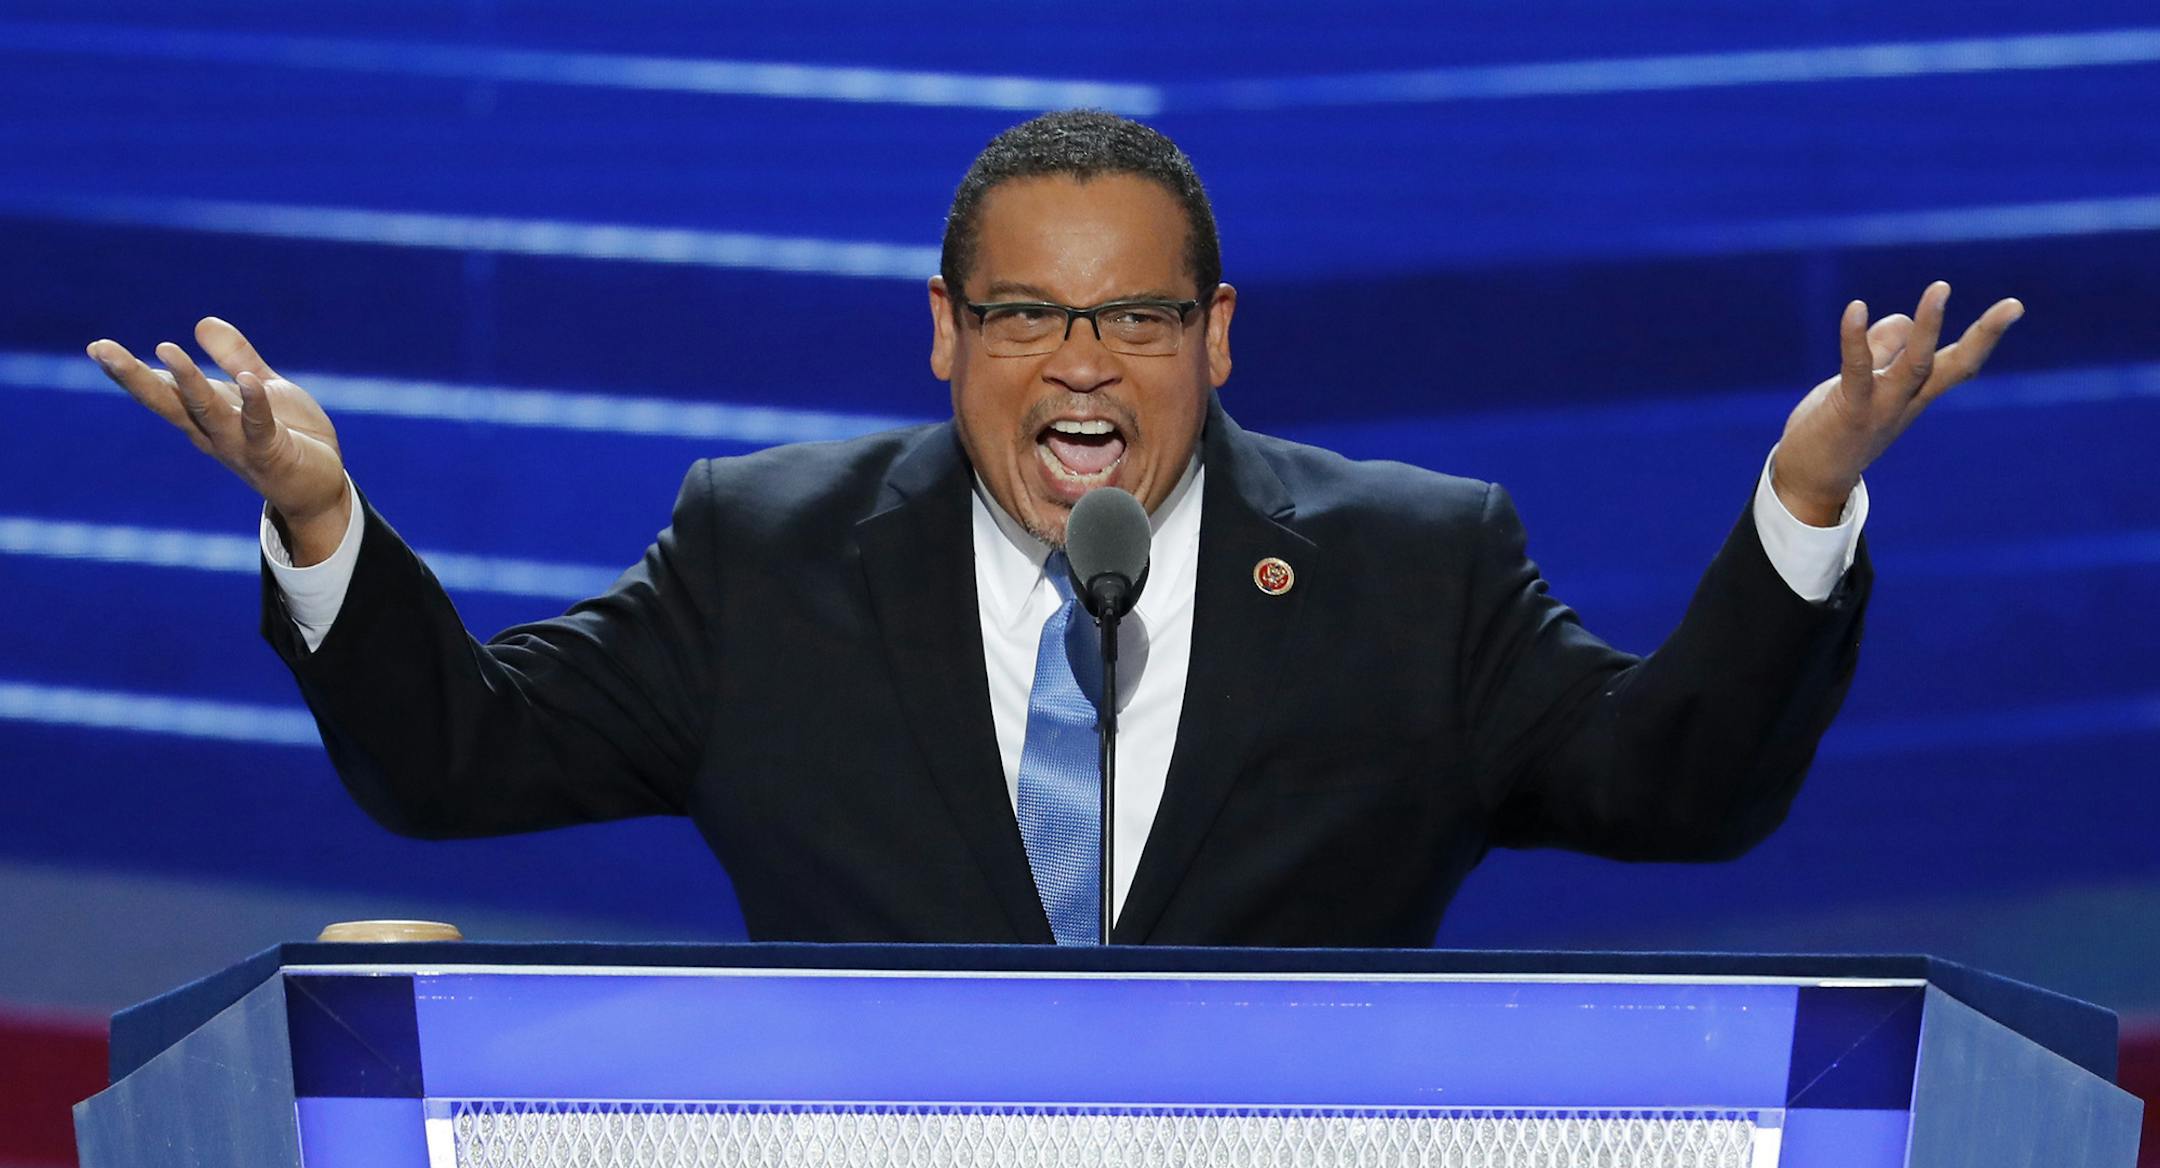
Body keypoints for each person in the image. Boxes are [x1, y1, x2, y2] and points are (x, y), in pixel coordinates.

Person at [84, 111, 2021, 947]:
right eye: (1026, 313)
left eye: (1137, 316)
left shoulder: (1415, 563)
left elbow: (1669, 788)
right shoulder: (770, 552)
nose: (1081, 360)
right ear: (946, 338)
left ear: (1216, 337)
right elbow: (459, 763)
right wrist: (326, 520)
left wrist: (1803, 504)